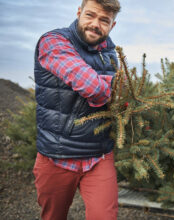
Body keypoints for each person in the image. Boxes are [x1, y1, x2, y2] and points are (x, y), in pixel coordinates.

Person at [33, 0, 121, 219]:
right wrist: (112, 86)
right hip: (56, 155)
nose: (95, 24)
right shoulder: (53, 42)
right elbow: (93, 88)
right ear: (79, 12)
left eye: (104, 20)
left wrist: (118, 92)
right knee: (53, 216)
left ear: (113, 25)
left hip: (98, 156)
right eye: (90, 15)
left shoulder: (110, 53)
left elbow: (120, 99)